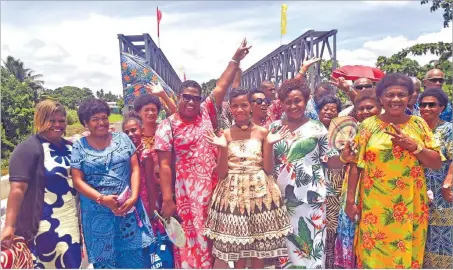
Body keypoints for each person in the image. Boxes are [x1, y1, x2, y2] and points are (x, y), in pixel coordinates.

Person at [154, 38, 251, 268]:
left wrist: (235, 58)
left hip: (216, 188)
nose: (190, 101)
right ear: (178, 97)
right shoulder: (167, 126)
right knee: (191, 241)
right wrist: (168, 199)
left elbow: (221, 86)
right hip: (188, 193)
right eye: (185, 96)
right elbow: (165, 166)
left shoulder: (206, 112)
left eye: (195, 98)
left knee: (216, 241)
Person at [344, 73, 443, 268]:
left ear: (409, 97)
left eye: (401, 94)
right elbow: (355, 165)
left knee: (407, 256)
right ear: (380, 98)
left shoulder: (418, 124)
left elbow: (436, 162)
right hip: (375, 207)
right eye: (390, 95)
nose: (396, 99)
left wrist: (414, 146)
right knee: (373, 256)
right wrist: (350, 202)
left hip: (410, 204)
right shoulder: (367, 126)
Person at [203, 88, 292, 269]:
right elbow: (222, 174)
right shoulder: (225, 134)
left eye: (244, 105)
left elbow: (268, 169)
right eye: (235, 106)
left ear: (251, 106)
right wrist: (222, 148)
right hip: (233, 195)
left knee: (258, 249)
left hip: (260, 193)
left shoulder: (263, 133)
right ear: (230, 109)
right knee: (239, 250)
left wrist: (269, 144)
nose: (240, 110)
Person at [70, 98, 155, 268]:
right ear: (86, 122)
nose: (101, 122)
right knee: (106, 262)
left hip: (128, 210)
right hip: (97, 218)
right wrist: (102, 199)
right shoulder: (80, 146)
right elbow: (77, 181)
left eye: (104, 117)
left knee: (135, 259)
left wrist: (134, 197)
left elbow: (135, 169)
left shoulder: (123, 139)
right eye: (95, 119)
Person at [270, 77, 345, 268]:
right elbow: (267, 164)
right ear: (282, 103)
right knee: (286, 249)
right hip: (282, 200)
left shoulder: (317, 128)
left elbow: (332, 161)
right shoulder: (274, 127)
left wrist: (347, 157)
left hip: (312, 199)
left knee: (312, 247)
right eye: (288, 101)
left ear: (306, 100)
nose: (293, 105)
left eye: (298, 100)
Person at [1, 100, 82, 269]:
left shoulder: (70, 147)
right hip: (44, 225)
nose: (58, 125)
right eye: (52, 120)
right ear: (40, 120)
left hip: (72, 221)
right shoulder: (27, 149)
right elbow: (17, 190)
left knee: (73, 263)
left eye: (61, 120)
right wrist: (9, 226)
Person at [334, 89, 381, 269]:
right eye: (361, 109)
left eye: (370, 107)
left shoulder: (388, 129)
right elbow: (345, 159)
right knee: (351, 225)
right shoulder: (354, 132)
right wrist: (345, 157)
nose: (365, 112)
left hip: (376, 185)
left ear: (380, 107)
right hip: (353, 182)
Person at [418, 88, 453, 268]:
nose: (426, 108)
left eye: (431, 105)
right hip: (417, 188)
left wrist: (448, 183)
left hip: (441, 189)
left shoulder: (448, 129)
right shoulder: (415, 129)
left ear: (442, 107)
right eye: (422, 105)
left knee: (441, 234)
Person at [316, 95, 343, 268]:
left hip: (337, 184)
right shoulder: (313, 130)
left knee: (333, 227)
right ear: (318, 111)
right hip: (318, 184)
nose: (328, 111)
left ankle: (331, 264)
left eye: (333, 109)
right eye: (325, 108)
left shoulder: (343, 132)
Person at [122, 111, 158, 220]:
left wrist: (152, 207)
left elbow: (150, 182)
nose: (130, 134)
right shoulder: (125, 154)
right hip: (129, 198)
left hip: (144, 198)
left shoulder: (146, 154)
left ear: (142, 130)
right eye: (126, 132)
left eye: (133, 130)